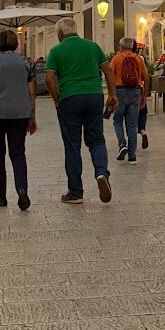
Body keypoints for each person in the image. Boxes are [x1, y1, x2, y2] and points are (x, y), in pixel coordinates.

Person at [45, 17, 117, 204]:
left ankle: (76, 192)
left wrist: (56, 99)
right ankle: (101, 174)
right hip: (94, 96)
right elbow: (108, 70)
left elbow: (49, 78)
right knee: (96, 140)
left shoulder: (56, 50)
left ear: (60, 33)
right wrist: (112, 94)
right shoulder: (92, 46)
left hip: (69, 98)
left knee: (72, 145)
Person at [0, 29, 37, 210]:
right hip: (20, 112)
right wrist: (32, 115)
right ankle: (21, 189)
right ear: (15, 43)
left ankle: (1, 196)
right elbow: (32, 91)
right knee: (18, 152)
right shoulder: (24, 62)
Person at [111, 38, 150, 164]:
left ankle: (122, 144)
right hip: (135, 91)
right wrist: (144, 95)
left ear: (121, 46)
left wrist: (111, 95)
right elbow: (146, 78)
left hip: (120, 91)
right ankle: (132, 156)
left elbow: (110, 76)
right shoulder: (139, 59)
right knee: (132, 124)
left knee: (117, 120)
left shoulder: (117, 58)